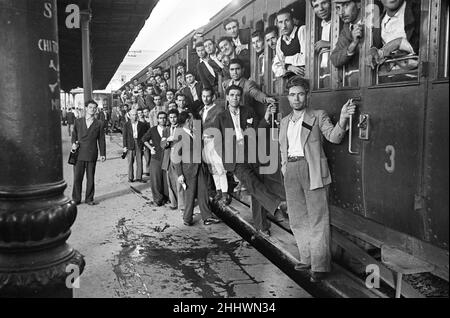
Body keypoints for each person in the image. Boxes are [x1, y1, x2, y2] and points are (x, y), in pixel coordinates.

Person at [279, 76, 356, 282]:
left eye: (300, 94)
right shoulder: (284, 121)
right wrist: (285, 167)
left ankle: (320, 266)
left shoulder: (317, 115)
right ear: (288, 97)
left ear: (307, 96)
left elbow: (334, 136)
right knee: (297, 219)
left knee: (317, 220)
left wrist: (342, 119)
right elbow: (282, 148)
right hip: (292, 171)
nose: (296, 98)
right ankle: (307, 258)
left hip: (312, 170)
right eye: (293, 95)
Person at [214, 85, 287, 235]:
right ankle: (277, 204)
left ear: (240, 97)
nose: (235, 97)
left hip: (252, 154)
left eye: (237, 95)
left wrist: (266, 117)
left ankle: (262, 226)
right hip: (236, 158)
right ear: (227, 97)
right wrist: (227, 159)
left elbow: (258, 131)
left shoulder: (248, 111)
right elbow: (217, 142)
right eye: (232, 95)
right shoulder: (220, 117)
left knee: (256, 188)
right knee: (252, 182)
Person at [172, 112, 221, 226]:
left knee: (203, 192)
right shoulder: (179, 135)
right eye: (192, 119)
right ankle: (187, 218)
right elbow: (176, 157)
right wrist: (179, 174)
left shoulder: (194, 133)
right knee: (190, 194)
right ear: (188, 121)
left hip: (200, 167)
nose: (193, 121)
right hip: (188, 170)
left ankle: (207, 217)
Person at [367, 0, 420, 74]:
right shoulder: (378, 23)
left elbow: (426, 48)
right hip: (387, 79)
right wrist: (373, 51)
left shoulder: (419, 11)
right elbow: (376, 50)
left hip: (415, 77)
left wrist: (397, 43)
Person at [71, 100, 106, 206]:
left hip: (92, 153)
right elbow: (74, 135)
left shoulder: (99, 123)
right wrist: (73, 144)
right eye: (90, 107)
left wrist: (103, 154)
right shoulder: (78, 121)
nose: (92, 109)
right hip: (79, 153)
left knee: (90, 177)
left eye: (94, 108)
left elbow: (101, 139)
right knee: (77, 177)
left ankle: (89, 198)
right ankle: (76, 198)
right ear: (86, 108)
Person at [199, 87, 230, 205]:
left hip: (215, 140)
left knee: (219, 167)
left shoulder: (219, 109)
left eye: (208, 96)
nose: (205, 99)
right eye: (203, 96)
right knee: (212, 168)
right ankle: (219, 191)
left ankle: (226, 194)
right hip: (205, 142)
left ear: (213, 97)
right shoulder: (202, 110)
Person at [330, 0, 363, 87]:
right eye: (338, 7)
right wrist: (353, 43)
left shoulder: (372, 22)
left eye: (346, 5)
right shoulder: (346, 28)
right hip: (351, 84)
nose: (341, 13)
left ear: (359, 4)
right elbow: (335, 59)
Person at [142, 111, 169, 206]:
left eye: (164, 118)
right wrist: (150, 148)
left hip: (167, 158)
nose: (163, 120)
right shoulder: (153, 130)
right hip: (156, 157)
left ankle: (166, 198)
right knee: (156, 179)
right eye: (160, 118)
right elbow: (144, 139)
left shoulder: (169, 129)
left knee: (166, 180)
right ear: (157, 119)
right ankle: (157, 199)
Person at [161, 109, 183, 211]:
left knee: (180, 182)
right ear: (168, 119)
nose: (173, 119)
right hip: (168, 158)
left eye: (174, 117)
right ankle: (173, 203)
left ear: (177, 117)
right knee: (170, 182)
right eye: (171, 117)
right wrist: (167, 141)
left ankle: (182, 205)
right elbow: (162, 145)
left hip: (179, 158)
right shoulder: (166, 130)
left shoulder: (182, 128)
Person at [275, 8, 307, 79]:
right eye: (280, 22)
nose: (284, 26)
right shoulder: (280, 41)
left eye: (287, 21)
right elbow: (277, 67)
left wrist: (285, 60)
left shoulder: (301, 30)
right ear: (277, 24)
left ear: (293, 20)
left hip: (306, 77)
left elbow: (306, 58)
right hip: (290, 81)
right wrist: (289, 67)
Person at [123, 109, 148, 183]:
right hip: (130, 143)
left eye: (136, 114)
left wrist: (144, 145)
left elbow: (144, 136)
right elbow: (125, 136)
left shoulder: (142, 124)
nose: (135, 116)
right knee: (130, 161)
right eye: (133, 115)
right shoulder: (126, 125)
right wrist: (125, 146)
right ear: (130, 116)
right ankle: (130, 177)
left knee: (139, 161)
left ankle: (139, 177)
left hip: (139, 143)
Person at [311, 0, 332, 87]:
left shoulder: (342, 22)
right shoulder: (316, 28)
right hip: (323, 73)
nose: (321, 9)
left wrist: (329, 44)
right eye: (316, 6)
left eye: (324, 3)